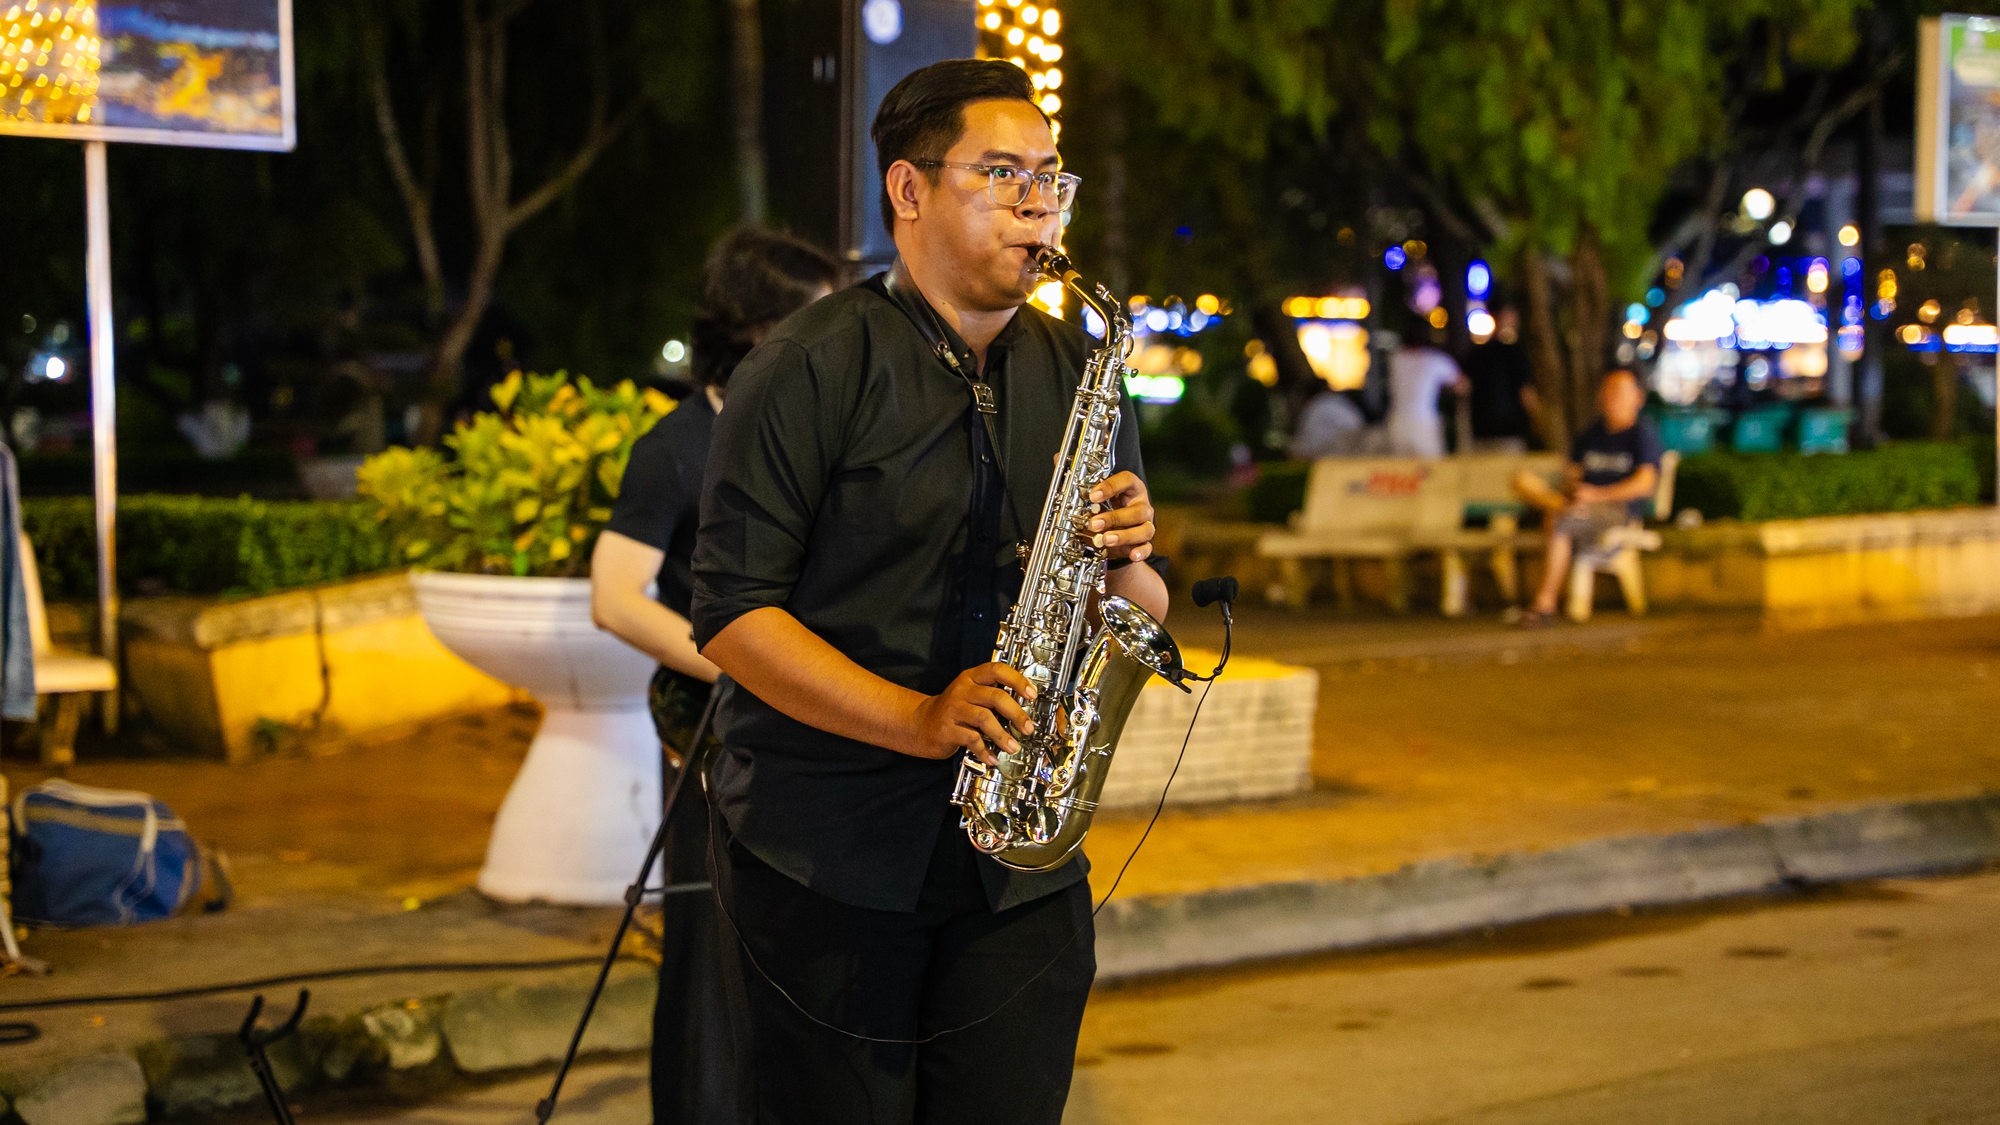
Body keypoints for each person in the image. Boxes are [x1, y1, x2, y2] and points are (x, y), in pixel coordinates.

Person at [689, 58, 1169, 1124]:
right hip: (829, 860)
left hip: (1020, 864)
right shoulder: (804, 368)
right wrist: (917, 718)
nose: (1038, 202)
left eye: (1050, 175)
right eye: (1001, 173)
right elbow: (729, 614)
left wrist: (1131, 563)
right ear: (907, 191)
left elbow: (1134, 613)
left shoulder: (1083, 370)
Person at [590, 226, 838, 1125]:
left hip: (811, 729)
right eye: (817, 318)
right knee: (709, 953)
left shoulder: (815, 428)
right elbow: (616, 596)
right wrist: (747, 654)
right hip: (714, 729)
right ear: (756, 326)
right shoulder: (677, 445)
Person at [1513, 370, 1663, 626]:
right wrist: (1562, 489)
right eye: (1607, 391)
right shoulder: (1590, 435)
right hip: (1581, 511)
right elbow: (1573, 476)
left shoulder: (1641, 436)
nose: (1611, 397)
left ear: (1637, 397)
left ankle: (1545, 603)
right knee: (1558, 511)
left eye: (1619, 391)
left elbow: (1645, 483)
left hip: (1619, 513)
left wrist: (1597, 495)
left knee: (1561, 518)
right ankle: (1545, 603)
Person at [1462, 305, 1541, 453]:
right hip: (1509, 432)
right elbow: (1526, 392)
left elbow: (1463, 386)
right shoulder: (1516, 353)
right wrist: (1538, 422)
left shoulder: (1476, 353)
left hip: (1481, 431)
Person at [1386, 336, 1468, 457]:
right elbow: (1463, 386)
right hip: (1424, 423)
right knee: (1433, 470)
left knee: (1402, 472)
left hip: (1397, 422)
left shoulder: (1396, 358)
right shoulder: (1435, 359)